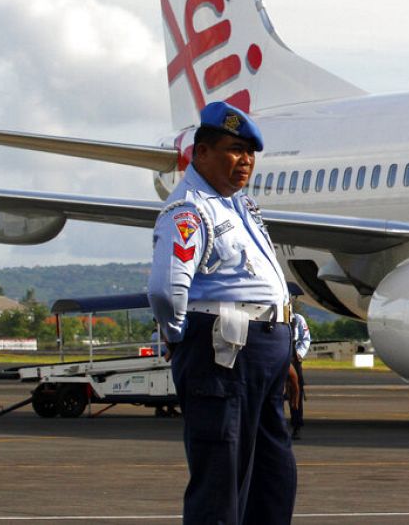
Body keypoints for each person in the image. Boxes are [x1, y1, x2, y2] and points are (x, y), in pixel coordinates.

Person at [147, 101, 296, 524]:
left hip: (263, 355)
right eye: (234, 149)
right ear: (202, 153)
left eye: (250, 153)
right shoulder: (190, 209)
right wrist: (181, 338)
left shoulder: (241, 207)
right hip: (222, 353)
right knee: (221, 480)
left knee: (273, 479)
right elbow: (164, 289)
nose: (245, 161)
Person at [289, 311, 311, 440]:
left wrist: (300, 353)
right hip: (278, 353)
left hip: (293, 356)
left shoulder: (297, 319)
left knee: (297, 390)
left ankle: (296, 425)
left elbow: (306, 338)